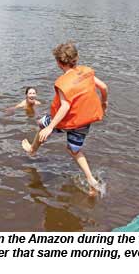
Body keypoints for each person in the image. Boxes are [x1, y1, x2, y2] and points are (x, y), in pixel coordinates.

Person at [21, 42, 108, 197]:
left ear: (58, 63)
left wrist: (50, 127)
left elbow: (65, 107)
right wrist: (104, 102)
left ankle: (32, 150)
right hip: (84, 121)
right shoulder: (86, 72)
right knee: (74, 150)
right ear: (76, 58)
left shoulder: (63, 83)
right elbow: (104, 87)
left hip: (65, 119)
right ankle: (91, 180)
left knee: (42, 123)